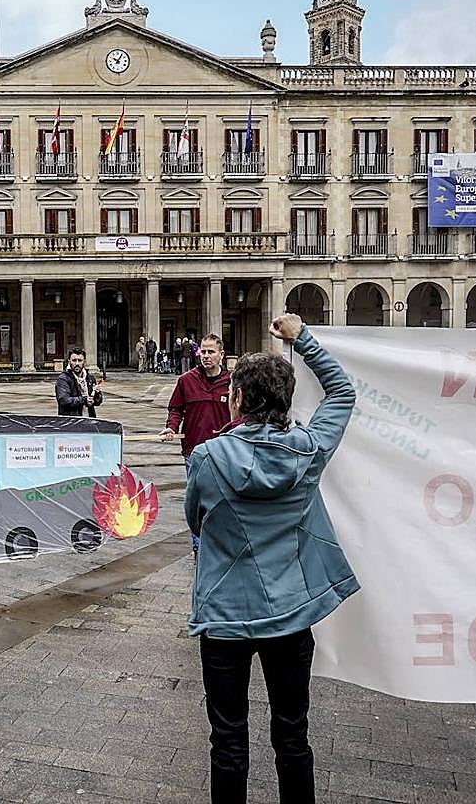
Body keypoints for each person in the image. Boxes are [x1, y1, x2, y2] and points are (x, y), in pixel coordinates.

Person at [186, 314, 358, 804]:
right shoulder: (310, 449)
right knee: (292, 734)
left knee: (228, 741)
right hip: (289, 615)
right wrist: (302, 339)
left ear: (236, 399)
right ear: (285, 401)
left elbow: (197, 522)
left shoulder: (207, 458)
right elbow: (342, 393)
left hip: (225, 619)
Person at [159, 334, 231, 557]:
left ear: (221, 355)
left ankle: (222, 544)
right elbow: (176, 409)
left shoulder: (232, 381)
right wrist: (172, 427)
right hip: (194, 452)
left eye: (211, 352)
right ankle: (199, 546)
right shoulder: (186, 380)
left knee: (224, 499)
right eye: (203, 352)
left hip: (225, 452)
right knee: (197, 500)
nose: (206, 356)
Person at [55, 347, 103, 417]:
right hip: (71, 422)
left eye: (80, 360)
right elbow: (64, 400)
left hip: (89, 420)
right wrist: (84, 400)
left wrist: (97, 395)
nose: (77, 363)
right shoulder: (63, 379)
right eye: (74, 360)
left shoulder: (90, 378)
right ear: (69, 361)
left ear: (84, 362)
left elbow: (98, 401)